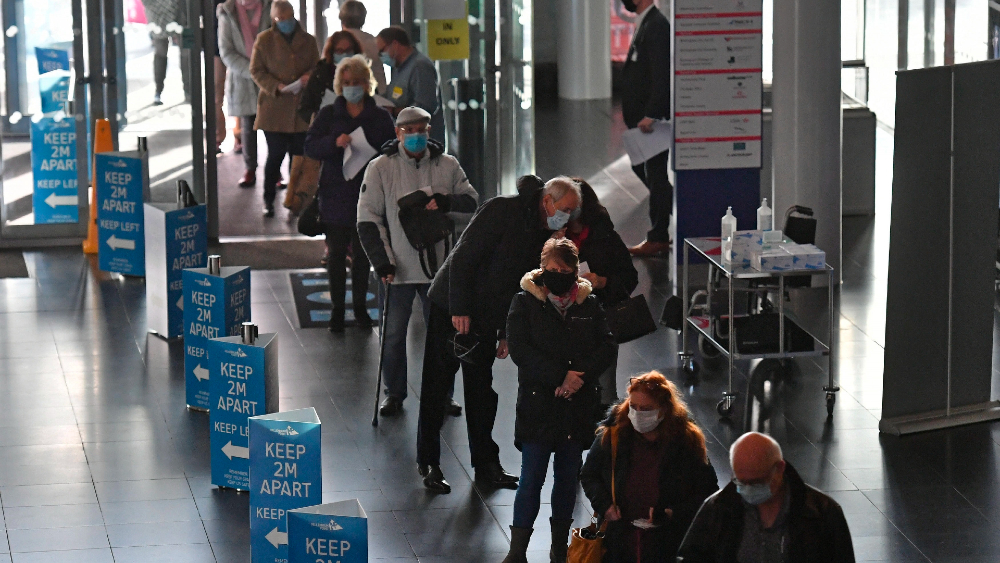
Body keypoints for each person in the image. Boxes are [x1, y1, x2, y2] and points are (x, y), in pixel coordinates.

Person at [417, 176, 582, 493]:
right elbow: (464, 258)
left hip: (488, 315)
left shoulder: (545, 232)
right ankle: (429, 461)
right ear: (547, 201)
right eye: (565, 209)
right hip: (451, 304)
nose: (567, 217)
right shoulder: (501, 210)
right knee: (437, 384)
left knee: (481, 390)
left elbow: (522, 284)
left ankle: (486, 464)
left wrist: (507, 331)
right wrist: (459, 308)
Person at [356, 106, 478, 417]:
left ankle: (443, 395)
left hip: (438, 269)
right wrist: (382, 261)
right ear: (398, 133)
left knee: (442, 338)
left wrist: (447, 202)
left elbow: (472, 202)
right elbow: (368, 219)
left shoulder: (447, 165)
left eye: (421, 129)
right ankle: (394, 394)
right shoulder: (380, 168)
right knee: (393, 336)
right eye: (409, 130)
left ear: (429, 129)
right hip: (396, 271)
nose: (416, 136)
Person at [500, 238, 616, 563]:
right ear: (542, 268)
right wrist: (561, 376)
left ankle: (559, 550)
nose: (559, 274)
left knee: (567, 481)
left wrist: (579, 376)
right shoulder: (523, 302)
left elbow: (606, 345)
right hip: (538, 407)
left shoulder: (589, 305)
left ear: (575, 271)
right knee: (531, 480)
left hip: (577, 409)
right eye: (553, 269)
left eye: (566, 270)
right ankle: (517, 551)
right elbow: (521, 350)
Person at [579, 371, 719, 563]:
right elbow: (589, 474)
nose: (638, 414)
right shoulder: (614, 435)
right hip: (620, 540)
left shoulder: (687, 442)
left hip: (668, 543)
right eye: (633, 407)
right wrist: (605, 505)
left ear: (663, 410)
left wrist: (672, 513)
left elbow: (708, 491)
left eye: (646, 409)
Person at [305, 55, 394, 332]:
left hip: (367, 196)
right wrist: (334, 142)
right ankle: (336, 310)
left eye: (356, 82)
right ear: (339, 85)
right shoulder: (329, 114)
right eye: (346, 82)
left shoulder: (380, 117)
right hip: (334, 194)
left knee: (363, 256)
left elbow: (390, 152)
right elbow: (310, 147)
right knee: (335, 257)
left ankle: (359, 309)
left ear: (367, 84)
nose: (352, 87)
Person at [677, 432, 856, 563]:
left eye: (756, 483)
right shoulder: (718, 508)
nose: (747, 489)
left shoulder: (822, 513)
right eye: (740, 482)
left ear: (779, 469)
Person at [565, 178, 638, 408]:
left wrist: (603, 281)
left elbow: (630, 278)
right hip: (563, 322)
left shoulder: (606, 238)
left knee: (604, 392)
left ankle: (604, 436)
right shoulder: (553, 236)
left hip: (600, 322)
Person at [249, 0, 320, 217]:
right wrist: (275, 86)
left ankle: (294, 200)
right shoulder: (264, 40)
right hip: (274, 110)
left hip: (300, 109)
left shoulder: (308, 41)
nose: (285, 23)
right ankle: (268, 199)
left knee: (298, 157)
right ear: (273, 19)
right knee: (275, 155)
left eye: (288, 18)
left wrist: (309, 77)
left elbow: (317, 65)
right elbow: (256, 70)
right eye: (280, 19)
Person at [619, 0, 672, 257]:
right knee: (647, 170)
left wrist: (651, 112)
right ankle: (666, 209)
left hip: (651, 122)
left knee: (656, 175)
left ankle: (659, 235)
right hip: (642, 119)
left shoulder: (657, 26)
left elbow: (661, 73)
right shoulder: (647, 24)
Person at [218, 0, 271, 187]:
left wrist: (266, 70)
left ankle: (274, 170)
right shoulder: (228, 12)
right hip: (243, 77)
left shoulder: (269, 6)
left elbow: (278, 42)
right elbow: (226, 52)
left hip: (269, 76)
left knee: (273, 127)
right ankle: (250, 168)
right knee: (248, 127)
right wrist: (252, 71)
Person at [375, 26, 446, 144]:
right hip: (406, 140)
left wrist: (394, 111)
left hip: (422, 142)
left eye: (382, 51)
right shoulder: (399, 69)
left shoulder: (420, 67)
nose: (381, 56)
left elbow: (424, 107)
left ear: (395, 44)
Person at [299, 31, 364, 123]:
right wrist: (321, 118)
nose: (345, 55)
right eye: (340, 51)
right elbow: (305, 108)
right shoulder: (320, 74)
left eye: (348, 50)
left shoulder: (364, 72)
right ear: (332, 52)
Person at [145, 0, 190, 106]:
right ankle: (158, 91)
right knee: (162, 52)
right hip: (158, 9)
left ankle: (190, 91)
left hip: (184, 9)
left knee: (187, 54)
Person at [339, 0, 387, 94]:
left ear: (341, 19)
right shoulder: (373, 42)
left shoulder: (335, 42)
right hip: (375, 96)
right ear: (363, 19)